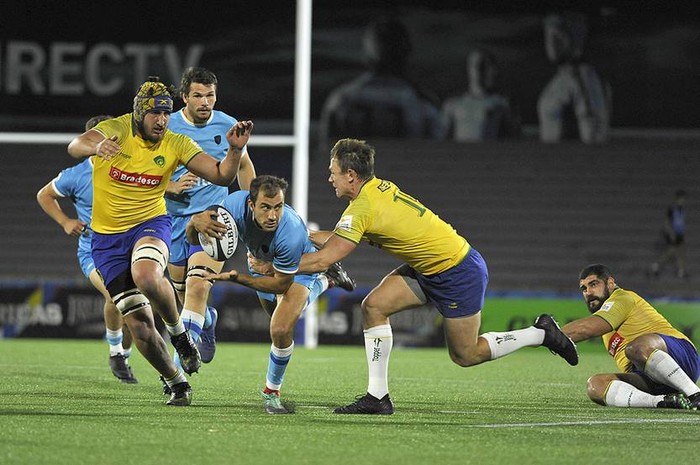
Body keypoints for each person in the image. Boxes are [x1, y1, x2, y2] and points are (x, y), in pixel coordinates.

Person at [294, 138, 578, 414]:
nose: (330, 178)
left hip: (457, 272)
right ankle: (377, 397)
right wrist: (303, 234)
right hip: (428, 269)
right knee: (374, 306)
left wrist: (275, 266)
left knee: (466, 355)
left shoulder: (362, 208)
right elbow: (341, 238)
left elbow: (326, 257)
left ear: (351, 175)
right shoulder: (376, 190)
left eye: (333, 173)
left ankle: (539, 334)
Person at [67, 76, 254, 405]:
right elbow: (75, 145)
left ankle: (180, 334)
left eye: (167, 114)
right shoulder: (119, 129)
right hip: (107, 241)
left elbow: (223, 175)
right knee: (139, 326)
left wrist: (235, 150)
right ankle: (176, 381)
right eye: (155, 114)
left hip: (150, 224)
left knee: (147, 274)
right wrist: (95, 146)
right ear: (139, 113)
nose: (162, 120)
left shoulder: (175, 142)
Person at [188, 175, 356, 414]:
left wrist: (239, 279)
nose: (272, 215)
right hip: (260, 264)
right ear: (251, 205)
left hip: (297, 267)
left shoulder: (291, 233)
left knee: (280, 328)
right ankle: (327, 280)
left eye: (278, 207)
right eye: (265, 207)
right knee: (275, 315)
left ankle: (271, 392)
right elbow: (197, 238)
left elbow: (280, 284)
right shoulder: (233, 206)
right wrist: (194, 222)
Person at [165, 67, 258, 367]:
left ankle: (179, 370)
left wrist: (251, 205)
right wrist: (171, 187)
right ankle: (207, 320)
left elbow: (243, 167)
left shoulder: (227, 125)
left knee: (197, 286)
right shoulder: (167, 127)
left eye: (210, 95)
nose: (205, 102)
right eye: (198, 96)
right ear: (184, 97)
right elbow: (147, 170)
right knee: (182, 295)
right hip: (173, 220)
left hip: (213, 217)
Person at [37, 114, 138, 384]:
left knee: (137, 306)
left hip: (129, 247)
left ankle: (124, 355)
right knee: (117, 293)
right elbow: (44, 194)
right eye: (101, 136)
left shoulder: (132, 167)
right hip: (94, 251)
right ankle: (116, 351)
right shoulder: (78, 174)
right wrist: (65, 221)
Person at [562, 264, 700, 409]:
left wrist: (550, 335)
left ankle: (696, 394)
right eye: (584, 288)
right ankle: (662, 401)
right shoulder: (605, 325)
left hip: (682, 356)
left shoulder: (623, 298)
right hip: (651, 377)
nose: (588, 292)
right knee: (595, 385)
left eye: (593, 284)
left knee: (635, 348)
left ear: (610, 283)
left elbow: (587, 329)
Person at [318, 18, 443, 146]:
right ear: (407, 52)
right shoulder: (423, 104)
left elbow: (325, 151)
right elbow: (437, 156)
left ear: (366, 54)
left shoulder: (341, 99)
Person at [537, 12, 611, 144]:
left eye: (558, 36)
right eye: (548, 36)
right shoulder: (560, 79)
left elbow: (594, 134)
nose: (551, 43)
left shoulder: (584, 79)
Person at [441, 48, 520, 142]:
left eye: (483, 65)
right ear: (468, 68)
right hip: (460, 155)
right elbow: (442, 138)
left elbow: (514, 137)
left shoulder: (501, 104)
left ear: (491, 69)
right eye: (474, 65)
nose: (478, 69)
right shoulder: (452, 105)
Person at [650, 189, 687, 279]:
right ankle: (656, 266)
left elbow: (681, 222)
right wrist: (671, 234)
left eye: (683, 199)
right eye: (681, 199)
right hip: (673, 235)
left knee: (679, 252)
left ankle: (680, 271)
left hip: (679, 234)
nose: (683, 201)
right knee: (670, 253)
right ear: (677, 199)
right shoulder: (672, 209)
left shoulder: (681, 209)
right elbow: (666, 223)